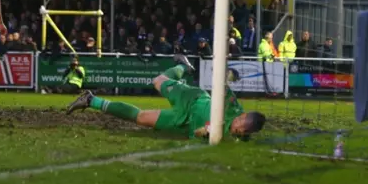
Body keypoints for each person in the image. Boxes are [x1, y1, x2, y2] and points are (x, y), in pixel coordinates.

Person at [67, 54, 267, 141]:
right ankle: (184, 67)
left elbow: (198, 134)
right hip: (192, 99)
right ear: (243, 115)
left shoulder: (236, 139)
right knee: (157, 81)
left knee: (142, 118)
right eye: (240, 124)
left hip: (184, 122)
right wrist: (227, 77)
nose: (237, 129)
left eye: (241, 131)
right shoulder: (234, 107)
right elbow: (223, 87)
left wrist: (204, 132)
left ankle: (90, 99)